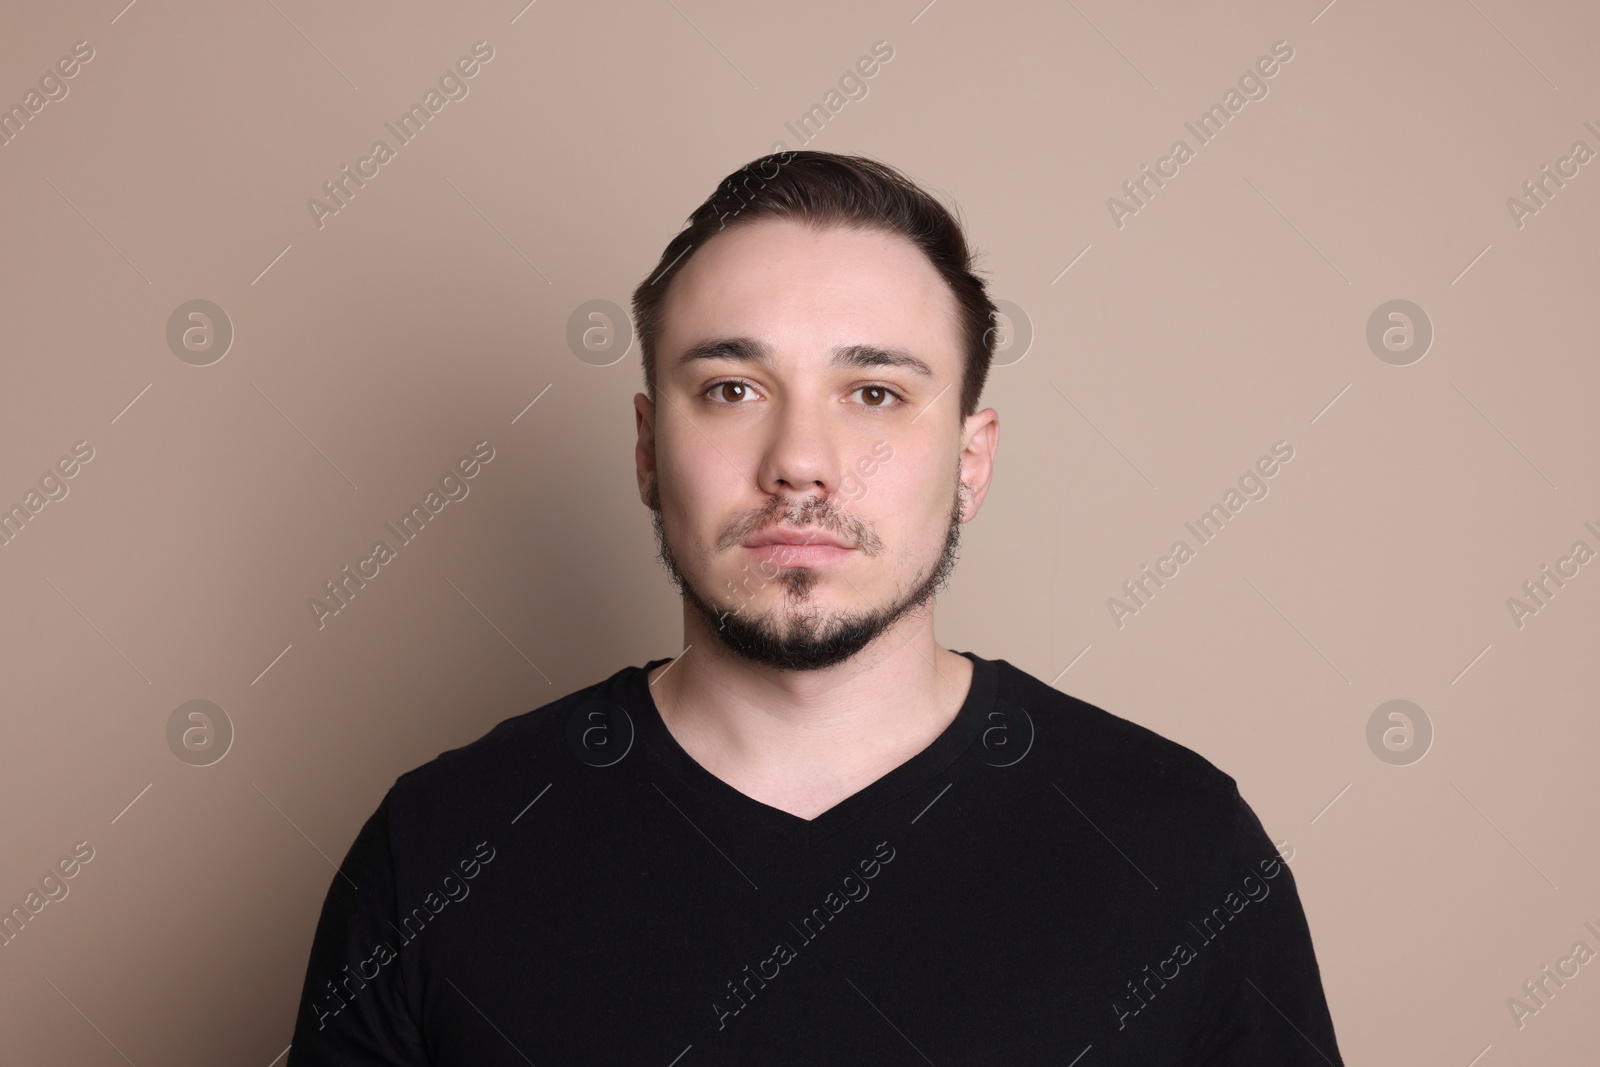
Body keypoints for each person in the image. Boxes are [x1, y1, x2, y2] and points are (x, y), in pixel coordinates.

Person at [286, 150, 1344, 1065]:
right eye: (733, 389)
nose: (799, 461)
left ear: (970, 461)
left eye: (874, 392)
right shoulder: (438, 849)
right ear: (650, 449)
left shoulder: (1178, 849)